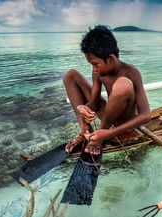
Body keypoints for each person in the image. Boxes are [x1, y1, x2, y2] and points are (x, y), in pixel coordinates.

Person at [63, 25, 151, 155]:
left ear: (110, 59)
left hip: (123, 122)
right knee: (70, 75)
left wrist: (108, 133)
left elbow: (145, 115)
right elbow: (95, 103)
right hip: (108, 117)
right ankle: (85, 130)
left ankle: (100, 133)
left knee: (123, 84)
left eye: (95, 64)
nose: (94, 69)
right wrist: (82, 108)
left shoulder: (131, 72)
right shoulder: (98, 72)